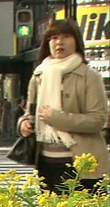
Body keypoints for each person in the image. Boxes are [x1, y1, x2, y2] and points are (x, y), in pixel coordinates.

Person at [18, 19, 108, 194]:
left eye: (66, 36)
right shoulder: (39, 75)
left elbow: (98, 120)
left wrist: (57, 119)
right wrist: (24, 124)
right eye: (53, 38)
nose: (59, 42)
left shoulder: (89, 76)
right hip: (45, 162)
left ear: (76, 41)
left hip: (82, 165)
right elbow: (30, 112)